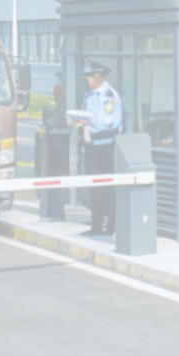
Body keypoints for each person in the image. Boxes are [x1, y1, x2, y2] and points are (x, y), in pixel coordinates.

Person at [78, 63, 122, 236]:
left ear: (98, 77)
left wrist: (89, 122)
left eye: (89, 79)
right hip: (91, 148)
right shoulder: (90, 96)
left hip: (105, 148)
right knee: (93, 189)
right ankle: (96, 226)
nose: (87, 82)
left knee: (106, 189)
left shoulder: (109, 96)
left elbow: (111, 122)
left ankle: (112, 224)